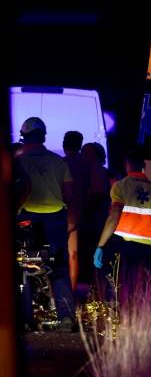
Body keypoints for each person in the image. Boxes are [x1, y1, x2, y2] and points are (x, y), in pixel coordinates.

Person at [15, 117, 77, 331]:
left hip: (27, 220)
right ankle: (67, 319)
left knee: (23, 268)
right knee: (58, 269)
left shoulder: (18, 162)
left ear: (24, 137)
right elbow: (69, 195)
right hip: (56, 218)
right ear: (43, 136)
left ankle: (25, 320)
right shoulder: (59, 162)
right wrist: (71, 221)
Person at [93, 149, 151, 307]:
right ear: (144, 165)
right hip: (147, 248)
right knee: (141, 289)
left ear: (127, 165)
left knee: (116, 286)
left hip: (122, 246)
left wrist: (101, 245)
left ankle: (115, 316)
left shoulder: (120, 187)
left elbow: (114, 216)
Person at [80, 142, 112, 287]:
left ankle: (95, 288)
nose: (83, 156)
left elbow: (97, 195)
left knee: (93, 255)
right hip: (97, 222)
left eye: (87, 153)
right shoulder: (102, 172)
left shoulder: (97, 171)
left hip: (95, 222)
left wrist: (84, 211)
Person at [62, 131, 89, 292]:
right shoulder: (87, 165)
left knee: (58, 256)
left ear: (64, 144)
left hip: (62, 213)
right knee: (74, 255)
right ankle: (71, 293)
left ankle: (57, 292)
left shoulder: (61, 163)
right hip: (80, 213)